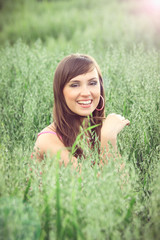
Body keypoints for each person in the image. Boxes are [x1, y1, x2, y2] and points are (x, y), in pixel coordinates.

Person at [33, 53, 130, 169]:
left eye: (92, 83)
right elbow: (101, 185)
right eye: (74, 85)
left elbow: (124, 185)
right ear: (60, 92)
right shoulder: (47, 140)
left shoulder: (103, 128)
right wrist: (108, 139)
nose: (86, 93)